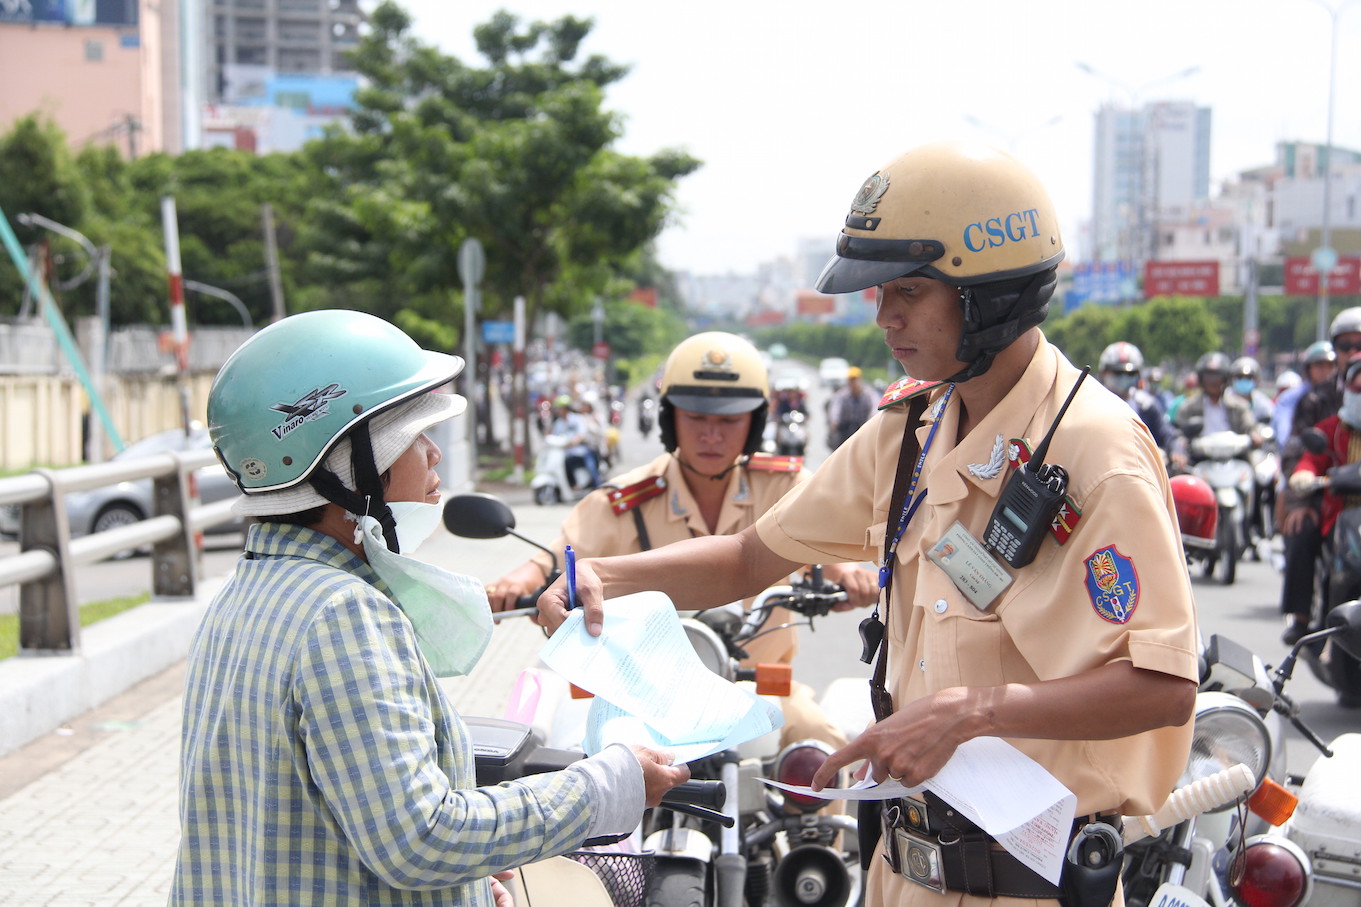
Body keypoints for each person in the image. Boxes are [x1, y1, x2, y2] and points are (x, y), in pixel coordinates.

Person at [532, 142, 1198, 906]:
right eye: (882, 293)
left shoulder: (1096, 450)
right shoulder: (911, 429)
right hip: (900, 874)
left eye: (908, 290)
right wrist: (600, 575)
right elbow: (750, 557)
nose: (883, 317)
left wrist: (975, 710)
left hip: (1031, 884)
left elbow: (1163, 685)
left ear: (990, 293)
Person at [173, 310, 688, 905]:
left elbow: (316, 820)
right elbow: (419, 838)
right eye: (415, 436)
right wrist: (605, 785)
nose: (435, 455)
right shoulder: (342, 615)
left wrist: (466, 884)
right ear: (351, 465)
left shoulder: (247, 595)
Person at [487, 330, 879, 748]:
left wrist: (849, 574)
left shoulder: (785, 486)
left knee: (820, 746)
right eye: (696, 418)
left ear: (755, 422)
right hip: (642, 698)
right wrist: (519, 581)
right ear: (669, 418)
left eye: (729, 420)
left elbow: (821, 540)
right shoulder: (625, 500)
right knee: (593, 766)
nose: (712, 435)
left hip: (758, 687)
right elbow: (556, 561)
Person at [1286, 357, 1361, 704]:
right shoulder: (1331, 427)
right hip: (1339, 518)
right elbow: (1308, 460)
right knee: (1301, 534)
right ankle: (1302, 619)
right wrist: (1303, 476)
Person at [1097, 341, 1180, 459]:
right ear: (1103, 374)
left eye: (1129, 374)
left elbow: (1168, 435)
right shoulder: (1093, 406)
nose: (1123, 379)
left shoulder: (1146, 406)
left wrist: (1176, 449)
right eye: (1117, 373)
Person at [1173, 351, 1256, 438]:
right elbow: (1179, 432)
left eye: (1217, 376)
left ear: (1225, 379)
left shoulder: (1239, 407)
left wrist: (1254, 436)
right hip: (1198, 450)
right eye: (1208, 376)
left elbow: (1250, 428)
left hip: (1234, 450)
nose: (1212, 381)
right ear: (1201, 379)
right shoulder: (1188, 407)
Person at [548, 393, 601, 489]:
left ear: (566, 408)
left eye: (560, 408)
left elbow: (581, 434)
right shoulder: (558, 423)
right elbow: (554, 437)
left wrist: (574, 441)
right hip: (567, 452)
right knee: (563, 463)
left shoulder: (577, 419)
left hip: (582, 449)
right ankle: (573, 486)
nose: (558, 411)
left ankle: (597, 484)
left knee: (589, 461)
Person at [827, 365, 878, 449]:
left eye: (854, 379)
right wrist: (835, 421)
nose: (852, 382)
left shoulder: (869, 394)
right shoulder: (842, 395)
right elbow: (836, 408)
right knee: (837, 445)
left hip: (863, 428)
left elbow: (875, 407)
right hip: (845, 429)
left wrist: (871, 421)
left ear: (860, 380)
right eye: (850, 380)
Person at [1229, 355, 1275, 424]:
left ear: (1256, 379)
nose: (1244, 380)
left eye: (1248, 377)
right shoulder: (1225, 398)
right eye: (1240, 377)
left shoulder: (1262, 402)